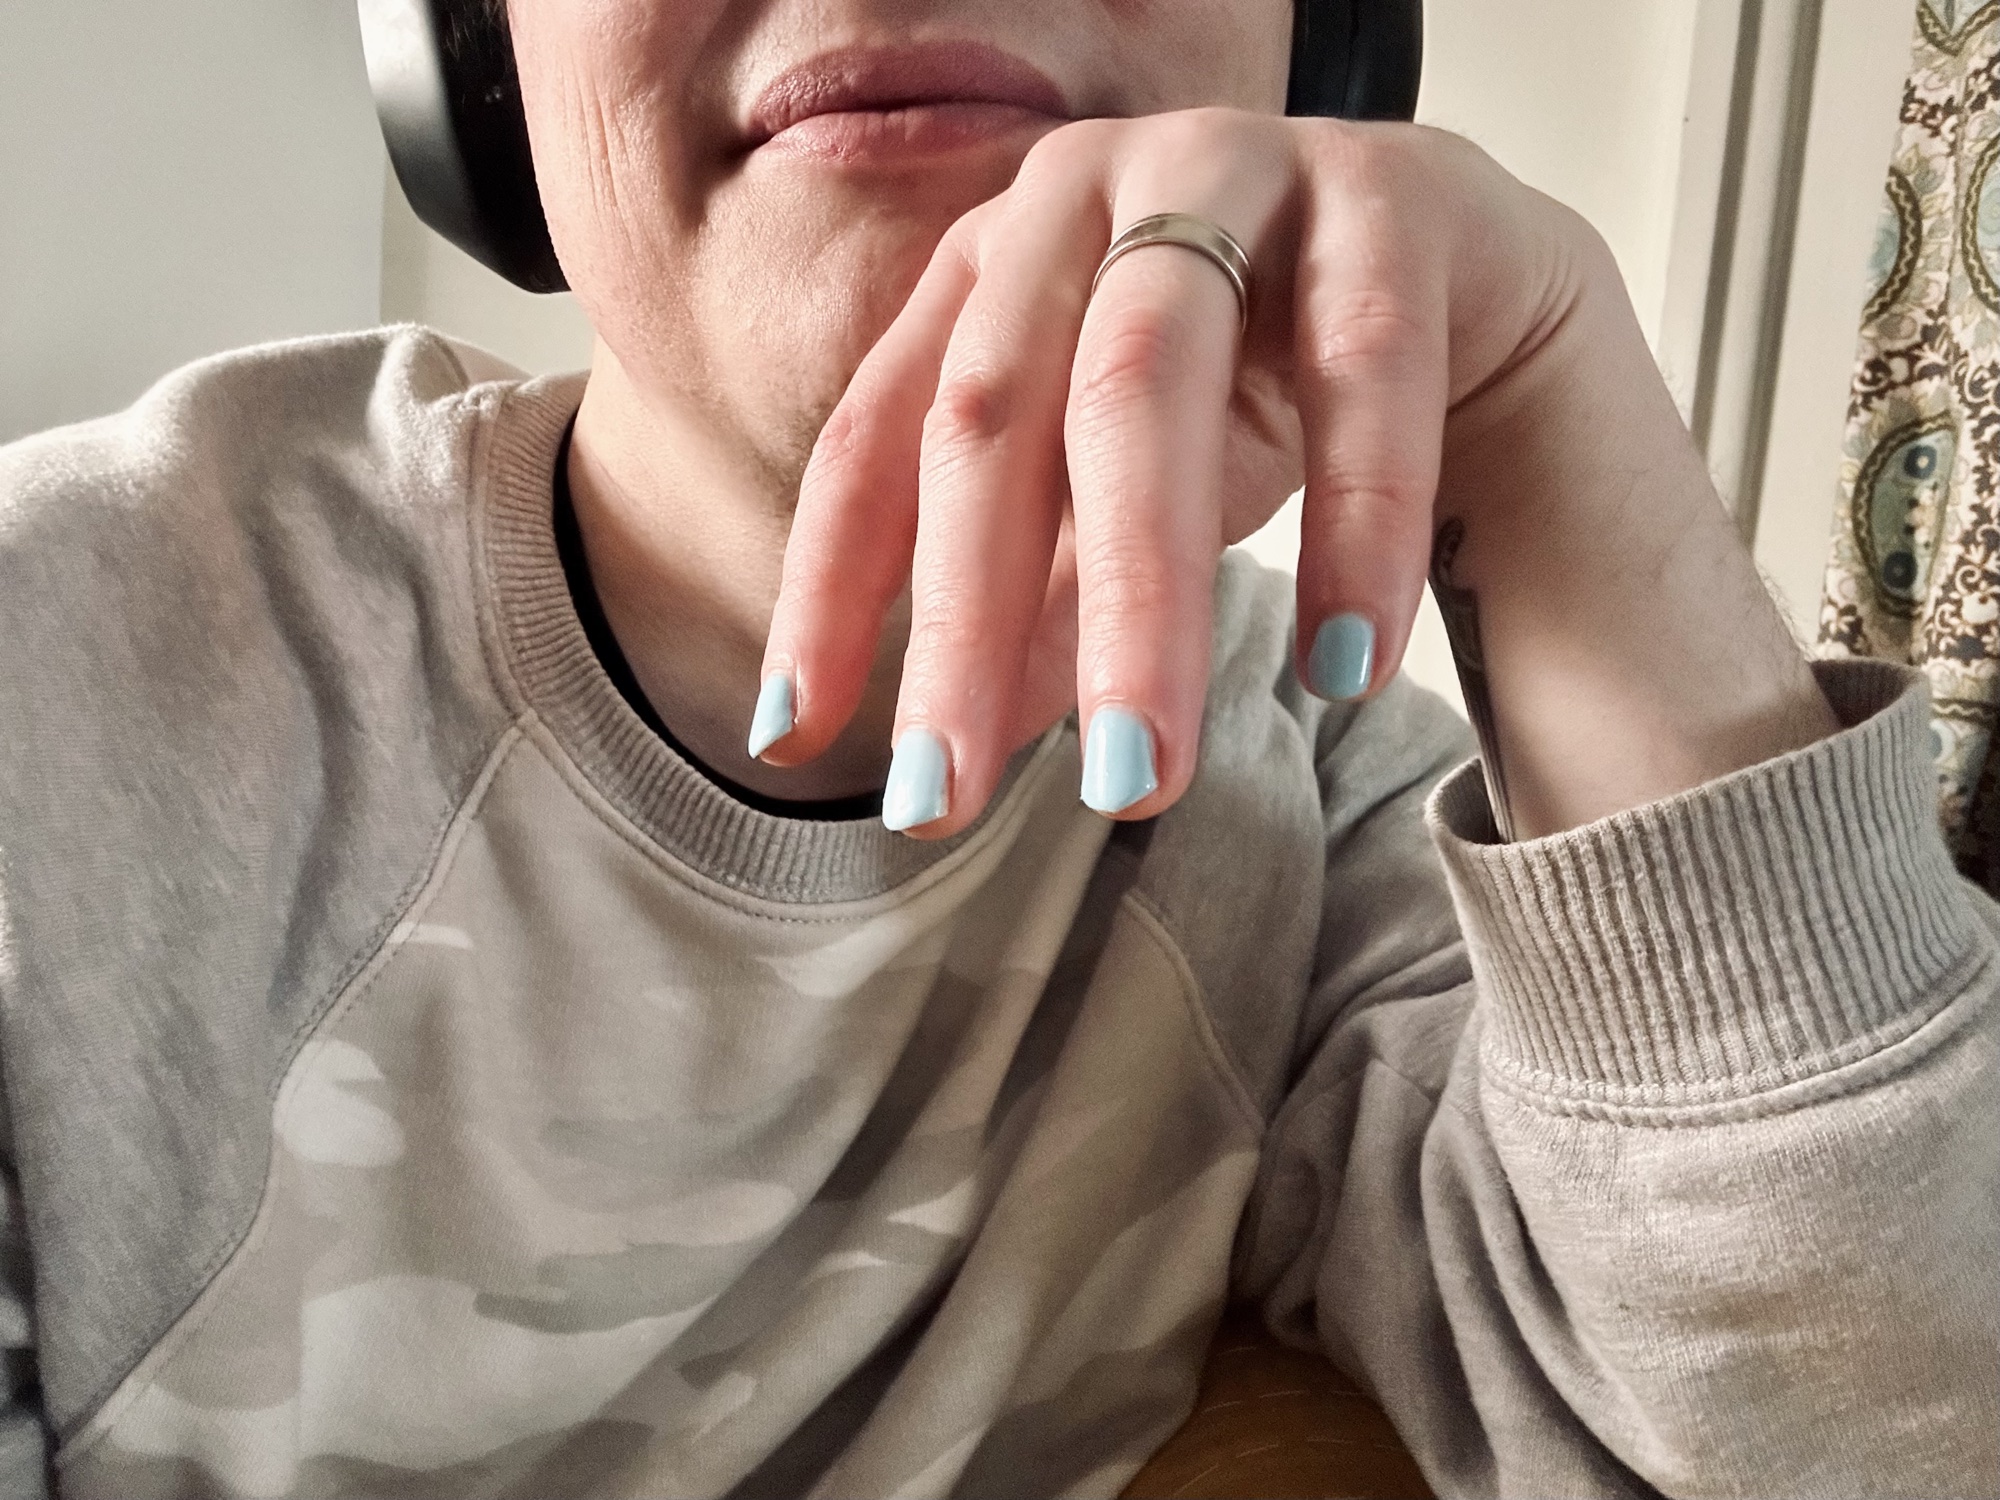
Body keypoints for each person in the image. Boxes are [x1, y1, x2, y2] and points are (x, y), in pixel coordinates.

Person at [0, 0, 1993, 1495]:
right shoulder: (53, 685)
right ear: (465, 53)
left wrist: (1549, 411)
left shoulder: (1323, 833)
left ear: (1328, 35)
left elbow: (1877, 1434)